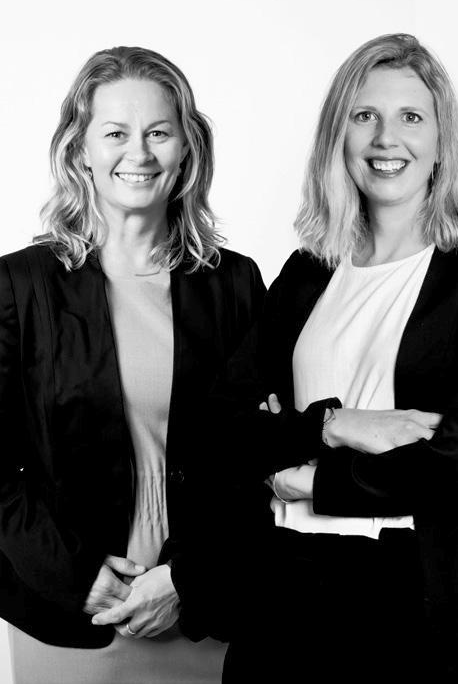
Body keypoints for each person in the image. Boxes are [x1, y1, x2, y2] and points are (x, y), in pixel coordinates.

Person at [200, 34, 458, 681]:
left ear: (442, 140)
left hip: (411, 599)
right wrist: (334, 425)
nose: (386, 138)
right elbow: (222, 432)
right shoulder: (309, 271)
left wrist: (315, 480)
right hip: (282, 590)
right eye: (365, 115)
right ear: (339, 134)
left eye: (411, 117)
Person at [0, 46, 265, 684]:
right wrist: (75, 575)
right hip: (69, 613)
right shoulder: (19, 286)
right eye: (116, 133)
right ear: (80, 149)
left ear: (187, 147)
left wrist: (185, 579)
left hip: (201, 605)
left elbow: (258, 458)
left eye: (158, 132)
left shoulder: (233, 284)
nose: (139, 154)